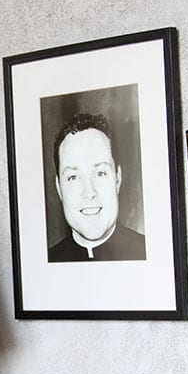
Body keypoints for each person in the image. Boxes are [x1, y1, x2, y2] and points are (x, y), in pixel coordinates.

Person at [47, 112, 146, 262]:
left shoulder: (149, 252)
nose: (89, 192)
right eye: (73, 177)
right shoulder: (45, 262)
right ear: (59, 188)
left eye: (100, 173)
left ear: (117, 178)